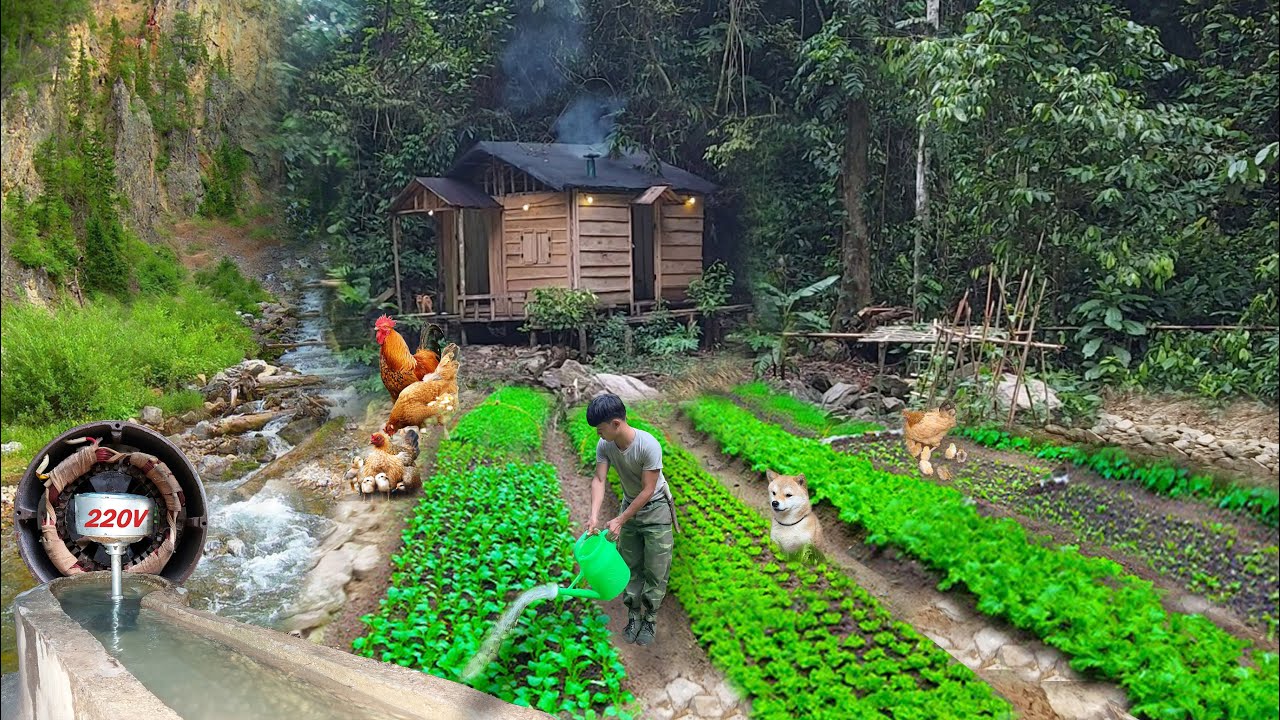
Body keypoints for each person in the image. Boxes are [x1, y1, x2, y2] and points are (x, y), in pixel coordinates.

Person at [585, 393, 678, 646]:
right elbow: (599, 479)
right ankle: (634, 615)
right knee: (630, 565)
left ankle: (650, 618)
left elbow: (648, 490)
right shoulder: (605, 445)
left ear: (616, 424)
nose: (598, 434)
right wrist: (594, 517)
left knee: (656, 570)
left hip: (656, 509)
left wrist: (621, 519)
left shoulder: (648, 445)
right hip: (630, 505)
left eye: (600, 429)